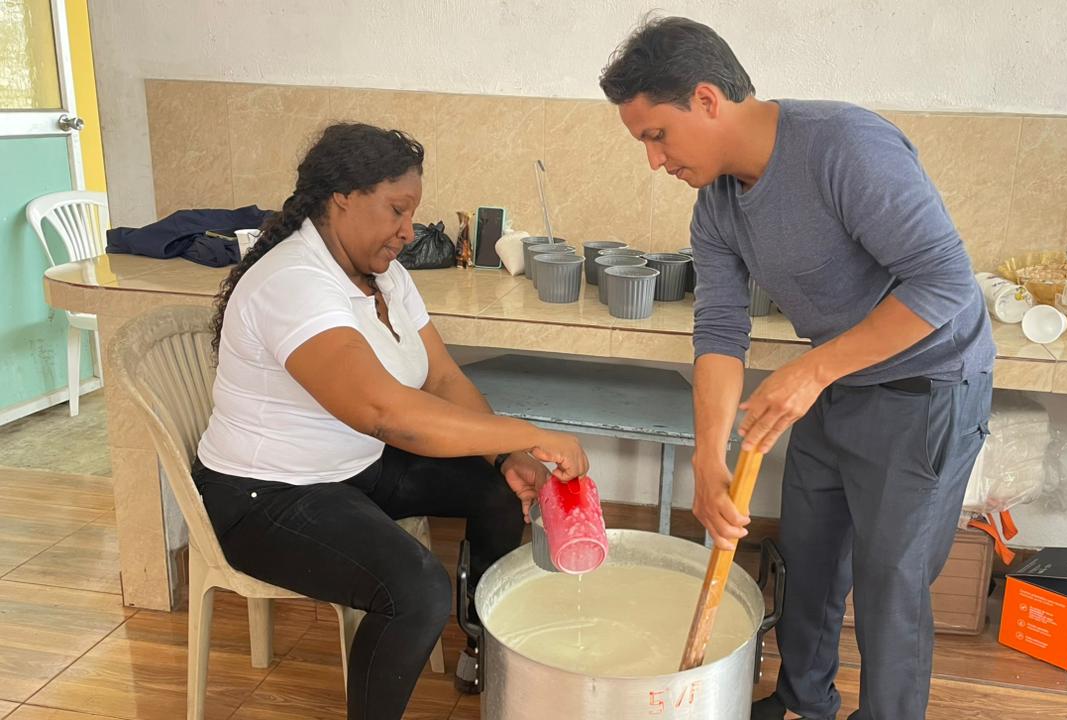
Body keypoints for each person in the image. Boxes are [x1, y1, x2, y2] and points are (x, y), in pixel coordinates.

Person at [600, 17, 994, 720]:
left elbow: (945, 283)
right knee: (807, 564)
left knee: (890, 589)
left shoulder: (845, 146)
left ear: (707, 99)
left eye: (657, 135)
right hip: (834, 385)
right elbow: (721, 330)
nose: (654, 161)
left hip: (924, 389)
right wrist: (708, 458)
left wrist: (813, 372)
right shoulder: (716, 206)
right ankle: (802, 705)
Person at [195, 122, 588, 720]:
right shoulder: (294, 281)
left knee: (498, 490)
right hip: (266, 496)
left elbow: (443, 380)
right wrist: (531, 435)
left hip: (355, 467)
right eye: (397, 210)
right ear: (342, 198)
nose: (408, 231)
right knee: (416, 590)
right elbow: (384, 413)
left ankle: (479, 647)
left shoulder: (385, 275)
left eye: (412, 214)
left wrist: (508, 455)